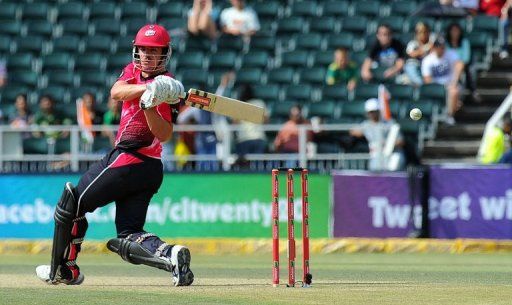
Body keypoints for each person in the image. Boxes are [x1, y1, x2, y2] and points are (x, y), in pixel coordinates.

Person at [35, 24, 194, 287]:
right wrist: (147, 90)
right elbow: (116, 91)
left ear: (164, 54)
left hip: (131, 159)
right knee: (129, 234)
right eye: (143, 50)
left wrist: (151, 105)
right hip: (147, 170)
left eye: (153, 52)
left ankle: (63, 271)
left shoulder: (168, 90)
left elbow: (164, 133)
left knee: (71, 203)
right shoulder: (135, 73)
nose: (146, 56)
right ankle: (171, 255)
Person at [350, 98, 405, 171]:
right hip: (376, 157)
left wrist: (387, 144)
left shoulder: (390, 123)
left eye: (374, 112)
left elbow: (401, 141)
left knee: (392, 171)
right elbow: (353, 131)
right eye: (370, 112)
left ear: (379, 111)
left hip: (392, 155)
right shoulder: (366, 125)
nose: (372, 114)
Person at [421, 36, 465, 125]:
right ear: (434, 47)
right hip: (436, 86)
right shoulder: (428, 60)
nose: (441, 49)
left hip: (451, 84)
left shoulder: (451, 53)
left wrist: (454, 81)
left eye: (442, 46)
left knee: (453, 92)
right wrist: (440, 88)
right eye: (438, 46)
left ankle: (450, 116)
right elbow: (427, 79)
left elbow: (460, 65)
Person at [234, 84, 268, 161]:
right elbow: (266, 120)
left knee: (245, 166)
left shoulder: (238, 105)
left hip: (245, 139)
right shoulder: (259, 103)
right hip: (257, 138)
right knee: (258, 165)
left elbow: (235, 123)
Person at [404, 22, 434, 86]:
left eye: (425, 31)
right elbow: (412, 54)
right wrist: (426, 48)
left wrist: (430, 46)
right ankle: (422, 86)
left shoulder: (432, 44)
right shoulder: (413, 43)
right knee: (410, 67)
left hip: (427, 67)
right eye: (419, 32)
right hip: (414, 66)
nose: (422, 34)